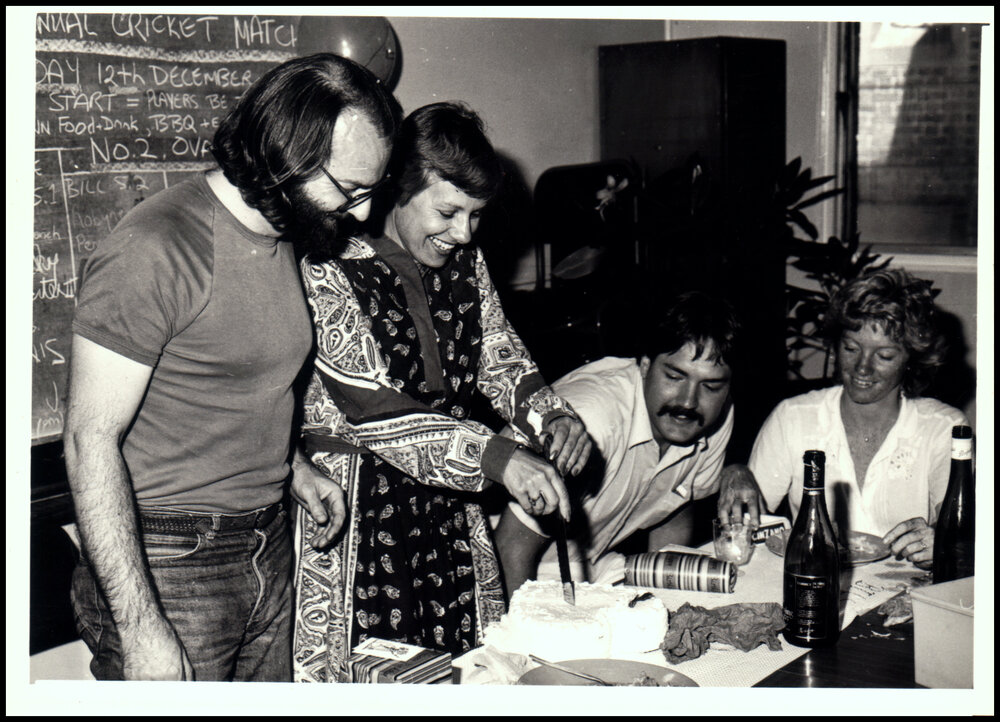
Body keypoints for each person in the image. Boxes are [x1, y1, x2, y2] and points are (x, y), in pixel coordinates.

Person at [63, 53, 402, 681]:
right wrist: (141, 629)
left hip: (266, 541)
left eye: (371, 191)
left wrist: (293, 469)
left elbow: (228, 379)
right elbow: (89, 441)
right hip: (168, 560)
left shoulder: (285, 231)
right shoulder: (155, 247)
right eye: (350, 190)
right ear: (284, 157)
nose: (361, 214)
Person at [290, 101, 592, 682]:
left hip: (449, 510)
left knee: (463, 672)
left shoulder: (466, 262)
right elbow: (373, 406)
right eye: (448, 212)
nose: (464, 233)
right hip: (356, 511)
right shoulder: (328, 264)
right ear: (397, 189)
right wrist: (501, 458)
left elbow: (500, 356)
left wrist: (552, 417)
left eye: (476, 216)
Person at [494, 291, 765, 598]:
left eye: (711, 385)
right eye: (675, 376)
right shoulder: (592, 423)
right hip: (501, 574)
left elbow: (675, 510)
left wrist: (668, 604)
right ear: (645, 366)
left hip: (590, 571)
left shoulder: (714, 417)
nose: (689, 401)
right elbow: (510, 549)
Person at [745, 267, 969, 567]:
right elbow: (747, 525)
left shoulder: (944, 428)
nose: (862, 367)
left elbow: (961, 532)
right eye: (851, 348)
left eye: (884, 356)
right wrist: (736, 474)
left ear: (912, 359)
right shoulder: (793, 417)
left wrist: (944, 543)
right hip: (814, 584)